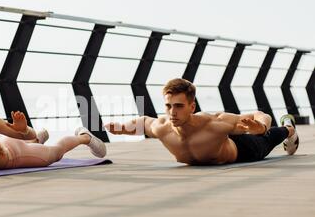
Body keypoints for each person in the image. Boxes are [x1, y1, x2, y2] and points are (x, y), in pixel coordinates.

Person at [105, 78, 299, 165]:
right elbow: (144, 122)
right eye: (168, 106)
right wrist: (121, 128)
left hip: (243, 150)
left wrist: (260, 126)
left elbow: (259, 114)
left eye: (179, 106)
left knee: (268, 137)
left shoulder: (214, 123)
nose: (172, 112)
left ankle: (289, 129)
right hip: (216, 143)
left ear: (192, 107)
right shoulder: (162, 127)